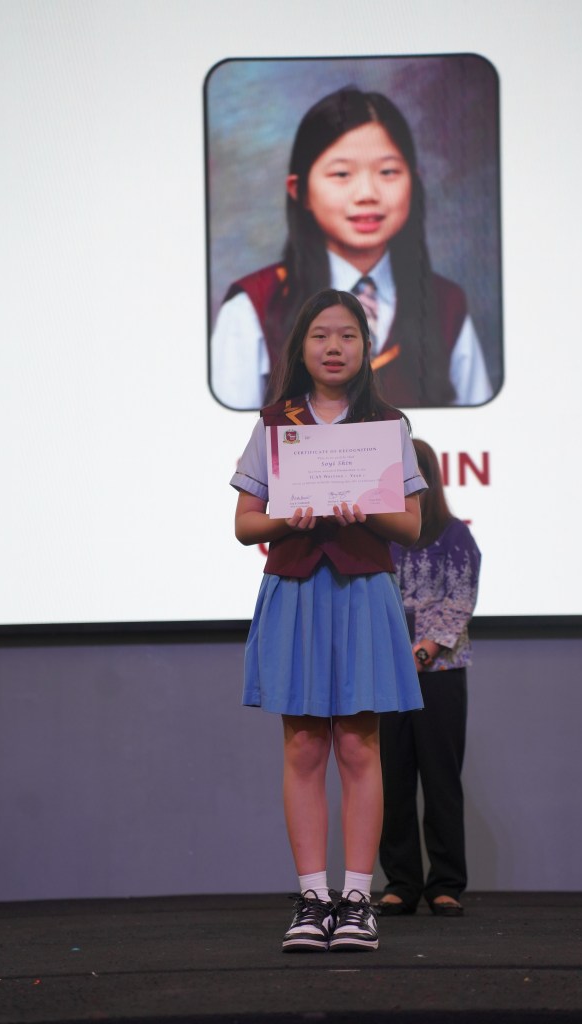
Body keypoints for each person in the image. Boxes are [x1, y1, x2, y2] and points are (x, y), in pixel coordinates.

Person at [230, 288, 426, 952]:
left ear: (366, 347)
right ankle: (313, 900)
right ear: (301, 347)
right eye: (320, 335)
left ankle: (357, 900)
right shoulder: (274, 423)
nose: (333, 347)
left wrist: (362, 508)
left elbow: (410, 524)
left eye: (347, 335)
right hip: (296, 588)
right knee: (304, 746)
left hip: (363, 589)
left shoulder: (386, 424)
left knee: (360, 746)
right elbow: (244, 525)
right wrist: (291, 517)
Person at [212, 86, 492, 410]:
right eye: (342, 173)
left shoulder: (445, 304)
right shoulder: (255, 306)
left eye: (388, 172)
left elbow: (484, 427)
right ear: (299, 190)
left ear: (413, 183)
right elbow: (225, 432)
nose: (367, 194)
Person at [375, 439, 481, 917]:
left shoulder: (455, 535)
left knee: (440, 781)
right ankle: (401, 883)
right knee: (391, 782)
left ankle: (446, 885)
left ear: (427, 478)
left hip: (438, 675)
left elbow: (459, 602)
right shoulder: (380, 534)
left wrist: (421, 652)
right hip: (385, 676)